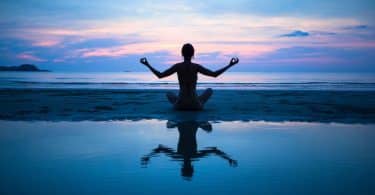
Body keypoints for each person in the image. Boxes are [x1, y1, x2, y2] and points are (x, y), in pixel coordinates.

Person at [140, 43, 239, 110]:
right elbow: (214, 74)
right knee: (209, 90)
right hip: (195, 105)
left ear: (182, 54)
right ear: (193, 54)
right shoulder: (196, 67)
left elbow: (160, 75)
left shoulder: (178, 66)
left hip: (180, 105)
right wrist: (230, 65)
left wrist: (147, 64)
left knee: (169, 93)